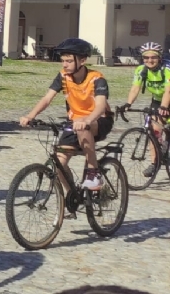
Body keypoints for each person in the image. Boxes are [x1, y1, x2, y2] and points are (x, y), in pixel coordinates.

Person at [20, 38, 113, 191]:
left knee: (83, 127)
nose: (64, 64)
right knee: (59, 164)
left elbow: (101, 105)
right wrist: (30, 116)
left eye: (69, 61)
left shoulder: (96, 78)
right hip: (75, 123)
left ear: (82, 60)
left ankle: (93, 173)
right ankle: (72, 197)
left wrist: (88, 120)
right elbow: (47, 98)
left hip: (99, 121)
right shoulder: (63, 76)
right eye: (63, 60)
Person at [118, 42, 170, 178]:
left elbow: (168, 91)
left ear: (159, 58)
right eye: (146, 58)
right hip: (158, 101)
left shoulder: (167, 69)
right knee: (153, 131)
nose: (149, 60)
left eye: (153, 57)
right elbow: (135, 88)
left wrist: (164, 107)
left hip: (167, 98)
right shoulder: (141, 70)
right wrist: (127, 104)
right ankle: (155, 163)